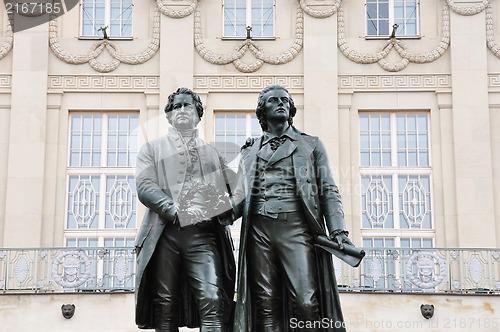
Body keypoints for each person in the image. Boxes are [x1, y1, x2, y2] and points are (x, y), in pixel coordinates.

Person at [233, 85, 353, 332]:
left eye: (285, 100)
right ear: (262, 110)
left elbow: (328, 190)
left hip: (296, 229)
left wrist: (339, 231)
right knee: (265, 304)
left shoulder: (311, 145)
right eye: (274, 100)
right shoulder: (249, 151)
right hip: (259, 231)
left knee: (306, 301)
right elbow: (237, 198)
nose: (281, 103)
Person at [134, 87, 236, 332]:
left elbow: (238, 191)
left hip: (203, 237)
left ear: (198, 114)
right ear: (168, 115)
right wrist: (173, 209)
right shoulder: (152, 149)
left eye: (187, 106)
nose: (181, 110)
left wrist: (227, 209)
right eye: (176, 106)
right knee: (165, 305)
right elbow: (145, 186)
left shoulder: (214, 154)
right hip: (165, 234)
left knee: (213, 299)